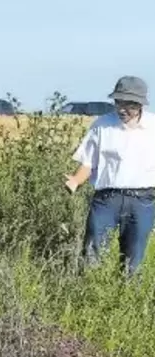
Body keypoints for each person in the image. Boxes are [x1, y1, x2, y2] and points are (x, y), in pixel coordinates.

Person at [65, 75, 155, 275]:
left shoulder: (153, 127)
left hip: (142, 202)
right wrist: (75, 180)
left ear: (140, 104)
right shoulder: (102, 125)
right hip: (106, 200)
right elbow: (88, 161)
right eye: (118, 102)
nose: (122, 109)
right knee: (92, 251)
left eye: (128, 105)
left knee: (134, 258)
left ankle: (129, 298)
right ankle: (89, 292)